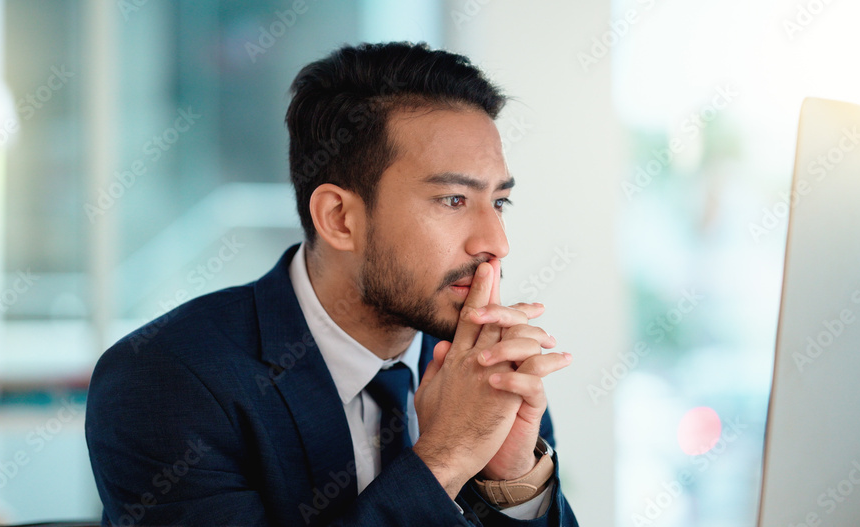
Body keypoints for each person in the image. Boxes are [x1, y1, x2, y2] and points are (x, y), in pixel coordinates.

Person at [85, 41, 580, 526]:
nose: (496, 242)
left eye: (498, 202)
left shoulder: (483, 364)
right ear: (339, 218)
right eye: (453, 200)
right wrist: (444, 461)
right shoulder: (163, 380)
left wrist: (514, 482)